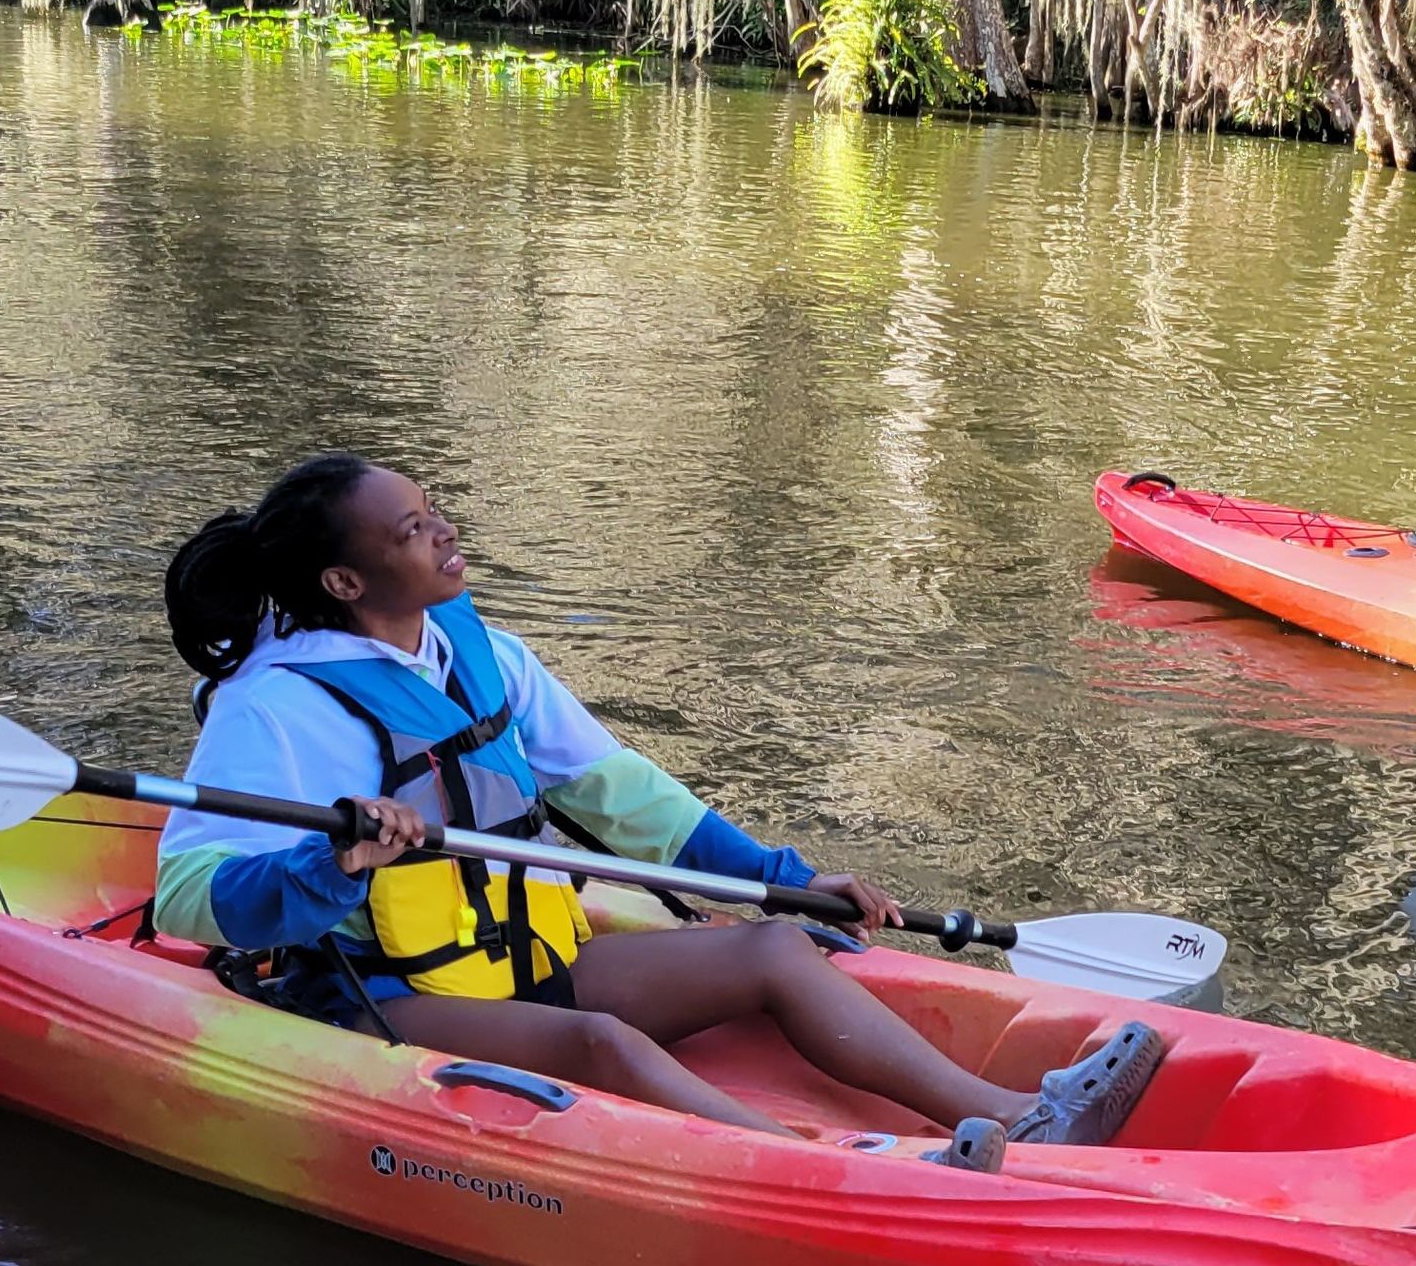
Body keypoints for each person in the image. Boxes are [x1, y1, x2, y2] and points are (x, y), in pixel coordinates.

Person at [152, 452, 1161, 1166]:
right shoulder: (277, 708)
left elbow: (615, 790)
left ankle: (1023, 1118)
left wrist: (784, 882)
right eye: (412, 528)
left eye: (434, 508)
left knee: (773, 950)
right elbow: (189, 897)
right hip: (374, 997)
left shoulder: (478, 654)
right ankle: (841, 1176)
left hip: (523, 958)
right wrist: (333, 863)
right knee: (604, 1047)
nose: (446, 529)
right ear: (344, 578)